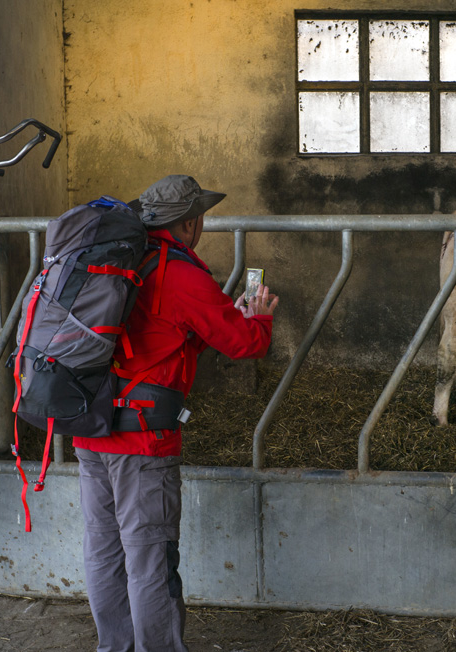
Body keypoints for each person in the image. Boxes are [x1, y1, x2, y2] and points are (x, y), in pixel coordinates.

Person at [72, 174, 278, 652]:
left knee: (104, 552)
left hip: (88, 427)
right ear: (190, 223)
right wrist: (260, 314)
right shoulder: (177, 273)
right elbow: (243, 342)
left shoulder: (107, 260)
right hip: (142, 442)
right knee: (150, 562)